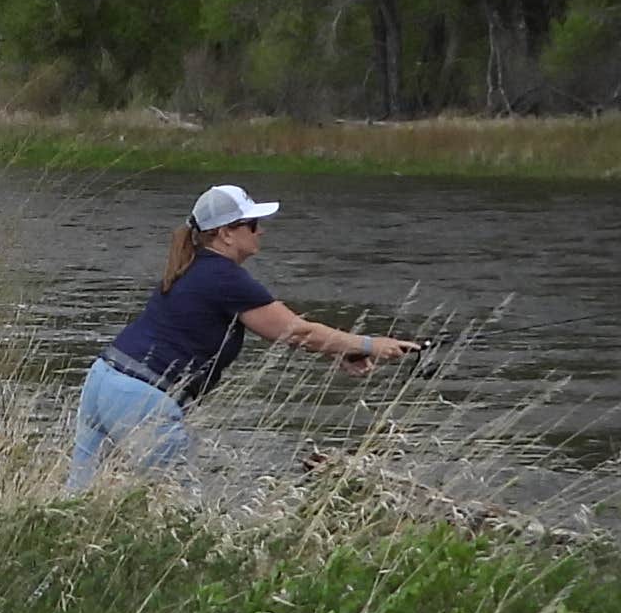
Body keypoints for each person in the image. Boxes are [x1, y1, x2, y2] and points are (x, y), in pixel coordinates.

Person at [68, 181, 421, 490]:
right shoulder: (223, 276)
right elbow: (295, 332)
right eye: (252, 224)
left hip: (104, 379)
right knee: (178, 512)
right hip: (143, 397)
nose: (261, 231)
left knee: (80, 495)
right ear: (225, 233)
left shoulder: (193, 268)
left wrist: (339, 350)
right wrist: (371, 344)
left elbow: (287, 329)